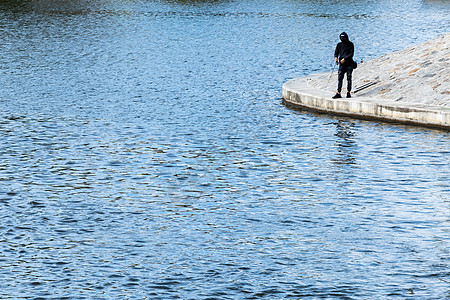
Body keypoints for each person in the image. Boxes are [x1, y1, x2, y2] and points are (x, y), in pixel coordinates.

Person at [333, 32, 354, 99]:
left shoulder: (351, 44)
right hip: (341, 65)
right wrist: (336, 58)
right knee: (340, 78)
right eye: (341, 38)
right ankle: (338, 92)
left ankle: (348, 92)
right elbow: (336, 53)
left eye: (344, 38)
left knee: (349, 78)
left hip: (349, 64)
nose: (342, 39)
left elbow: (351, 54)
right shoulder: (339, 45)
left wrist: (345, 59)